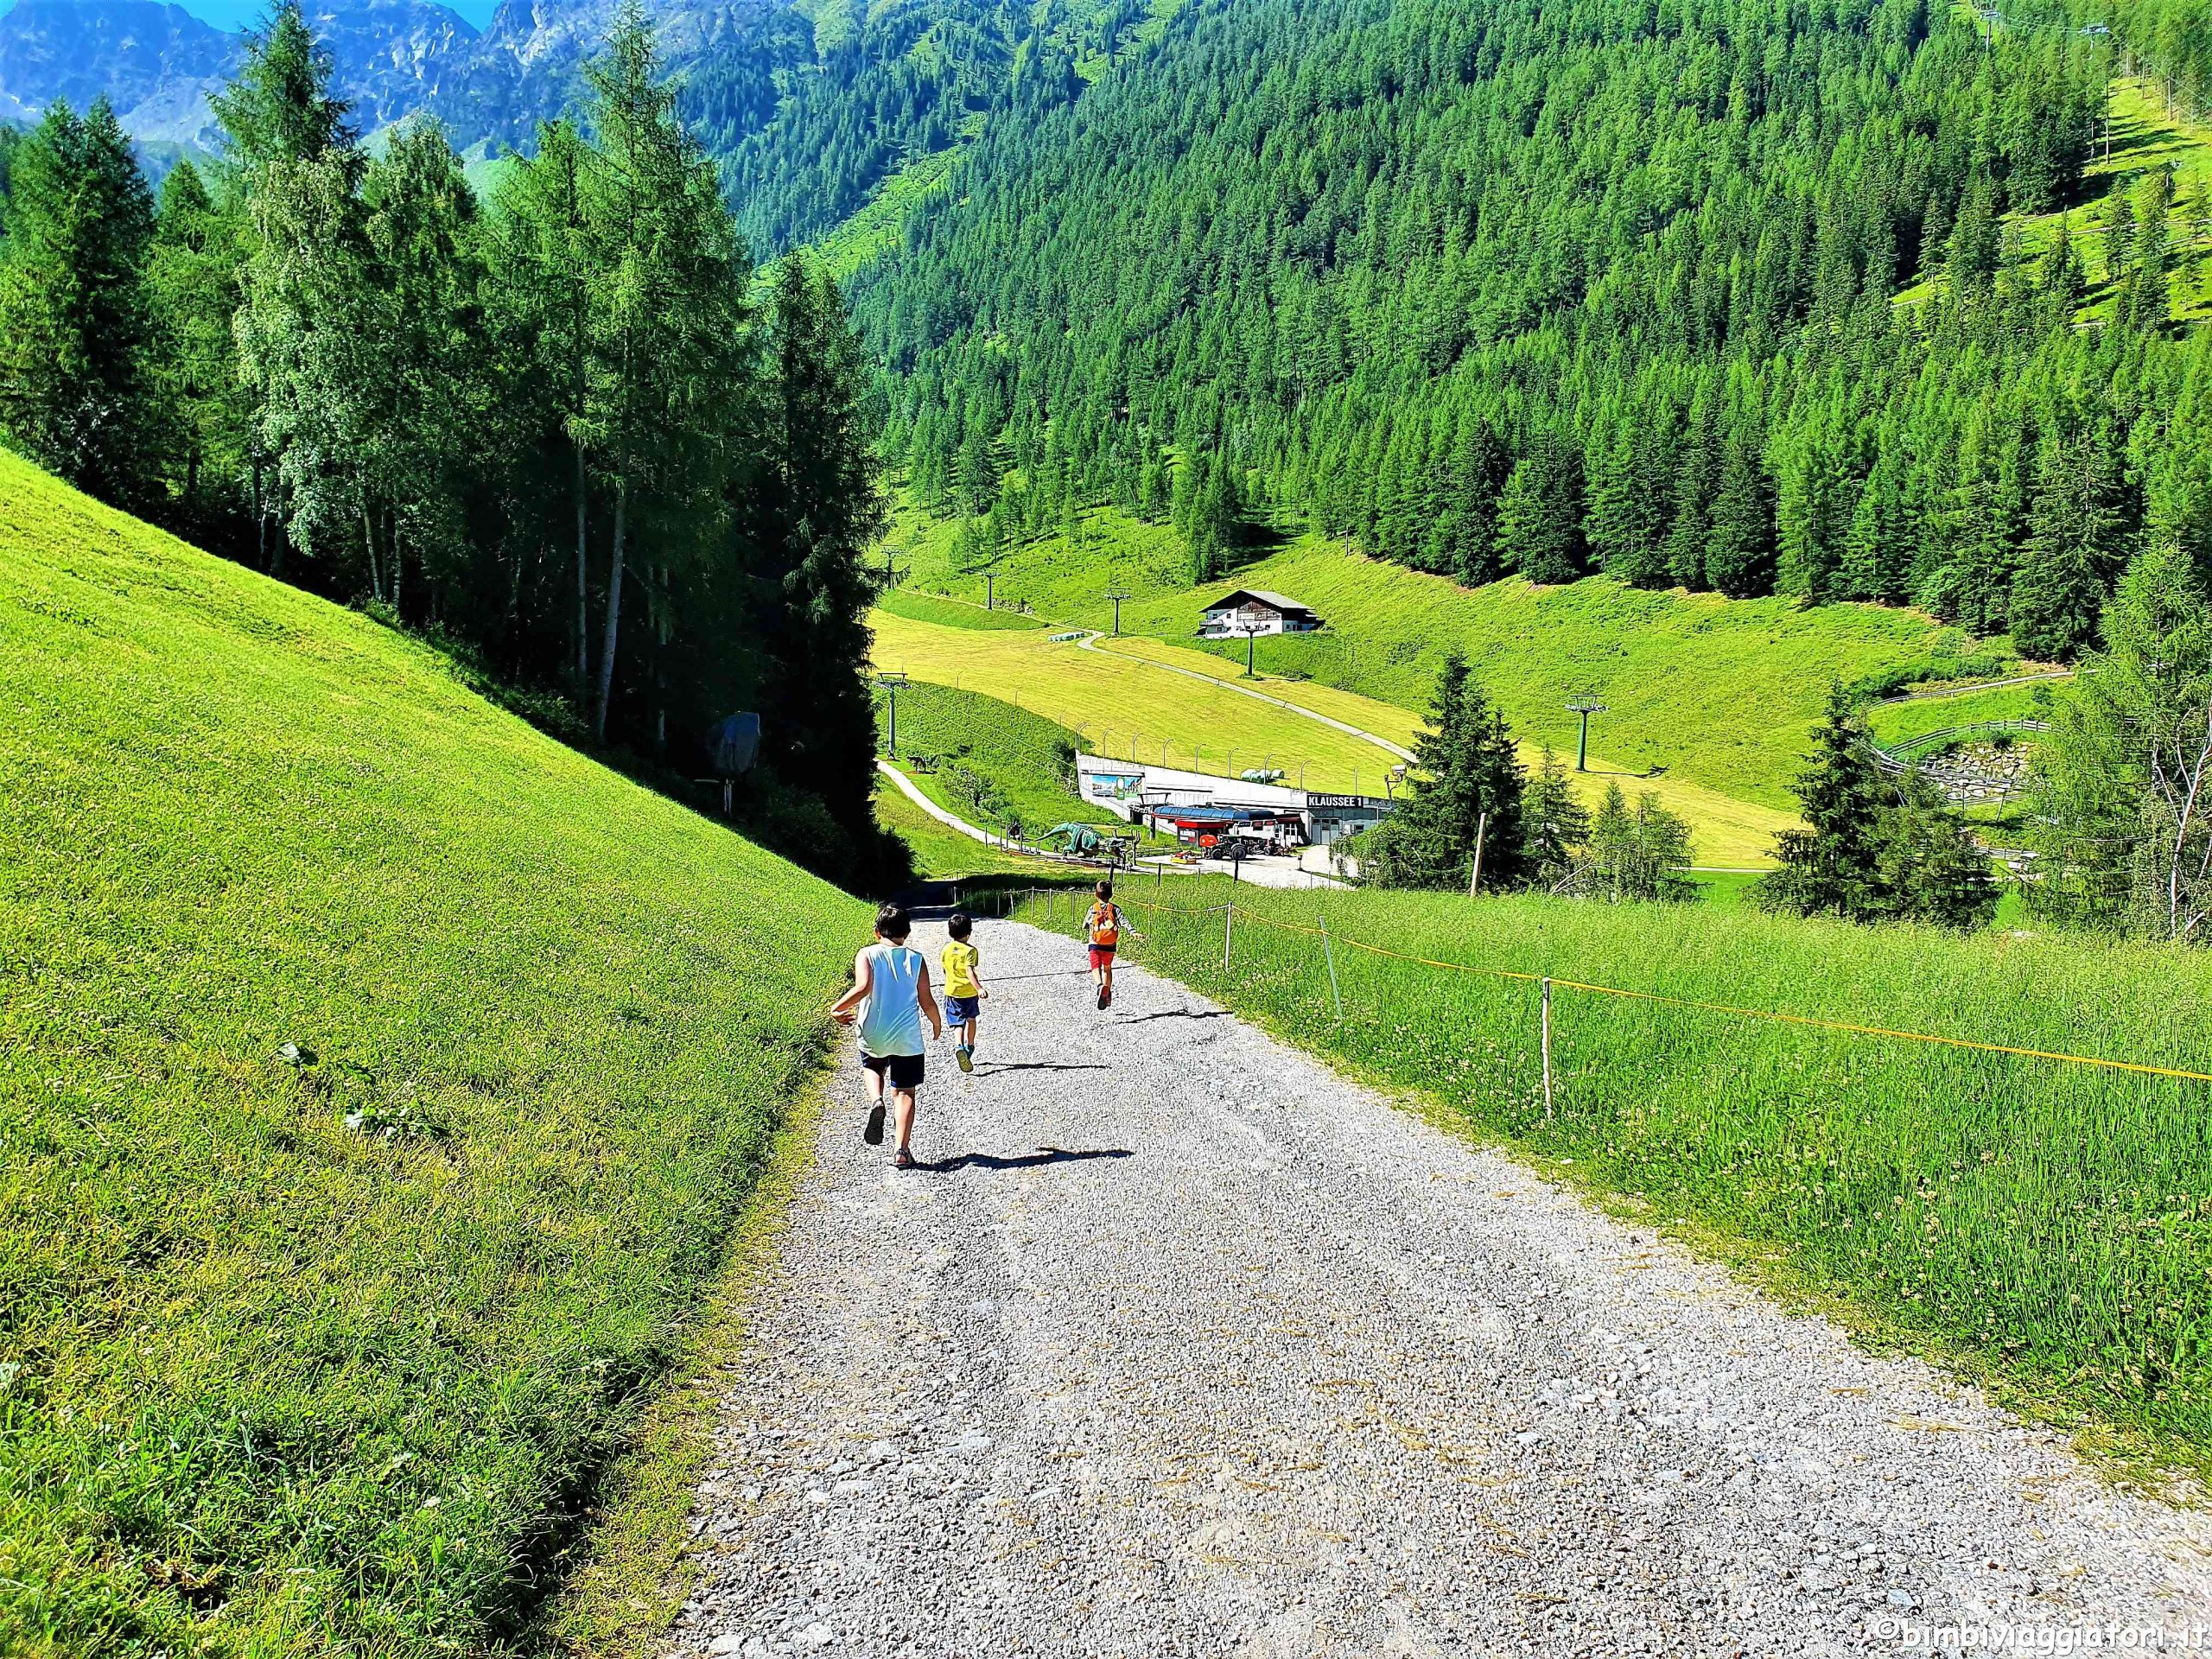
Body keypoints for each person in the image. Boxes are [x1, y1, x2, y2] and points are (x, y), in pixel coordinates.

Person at [829, 902, 942, 1169]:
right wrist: (936, 1022)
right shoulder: (915, 959)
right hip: (907, 1035)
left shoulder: (867, 954)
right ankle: (901, 1151)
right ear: (907, 933)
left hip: (873, 1031)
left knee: (872, 1065)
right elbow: (926, 1000)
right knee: (905, 1090)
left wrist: (837, 1008)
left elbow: (863, 987)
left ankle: (876, 1101)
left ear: (877, 931)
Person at [940, 911, 987, 1071]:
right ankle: (970, 1046)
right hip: (969, 993)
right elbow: (969, 972)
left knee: (957, 1023)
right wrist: (979, 988)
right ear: (969, 933)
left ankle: (958, 1046)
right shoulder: (970, 951)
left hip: (952, 993)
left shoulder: (946, 949)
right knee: (971, 1019)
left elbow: (945, 970)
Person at [1084, 880, 1141, 1009]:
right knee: (1107, 968)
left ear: (1095, 894)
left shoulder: (1093, 909)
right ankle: (1107, 991)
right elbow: (1124, 921)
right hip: (1110, 945)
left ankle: (1099, 986)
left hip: (1095, 944)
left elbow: (1085, 925)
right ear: (1111, 895)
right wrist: (1133, 932)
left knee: (1095, 967)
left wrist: (1090, 926)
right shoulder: (1114, 909)